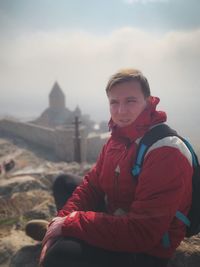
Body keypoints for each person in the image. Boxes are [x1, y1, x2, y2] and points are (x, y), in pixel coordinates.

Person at [37, 68, 193, 267]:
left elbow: (142, 233)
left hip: (146, 248)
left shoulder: (166, 151)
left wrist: (72, 223)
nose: (121, 111)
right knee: (63, 182)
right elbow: (92, 185)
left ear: (148, 101)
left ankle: (63, 241)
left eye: (130, 101)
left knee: (58, 256)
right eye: (114, 102)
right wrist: (61, 220)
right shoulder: (118, 139)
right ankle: (58, 234)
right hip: (117, 216)